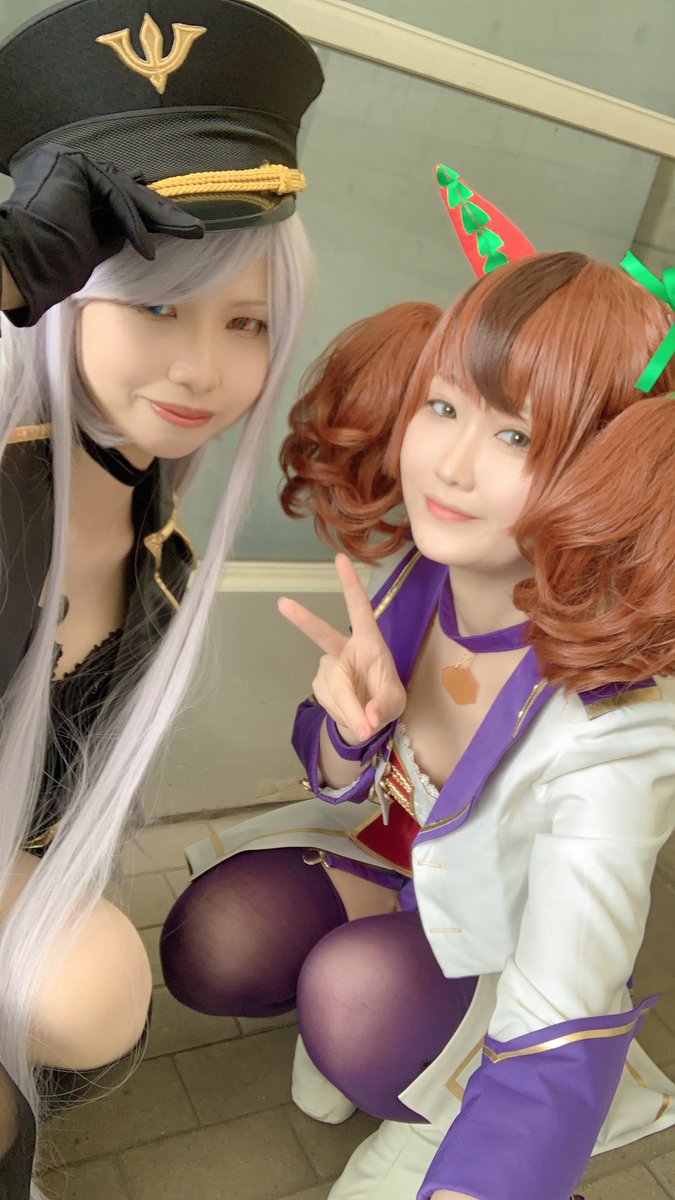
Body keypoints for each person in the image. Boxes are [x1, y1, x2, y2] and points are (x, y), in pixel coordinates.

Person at [161, 167, 675, 1200]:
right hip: (395, 870)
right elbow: (332, 769)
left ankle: (431, 1102)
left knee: (352, 996)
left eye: (517, 434)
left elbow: (562, 1014)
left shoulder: (620, 723)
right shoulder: (421, 572)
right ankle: (372, 1033)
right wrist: (349, 736)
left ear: (609, 472)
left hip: (499, 947)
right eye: (444, 405)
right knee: (214, 940)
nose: (449, 464)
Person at [0, 0, 323, 1194]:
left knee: (91, 996)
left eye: (246, 322)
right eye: (153, 303)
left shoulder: (158, 540)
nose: (203, 368)